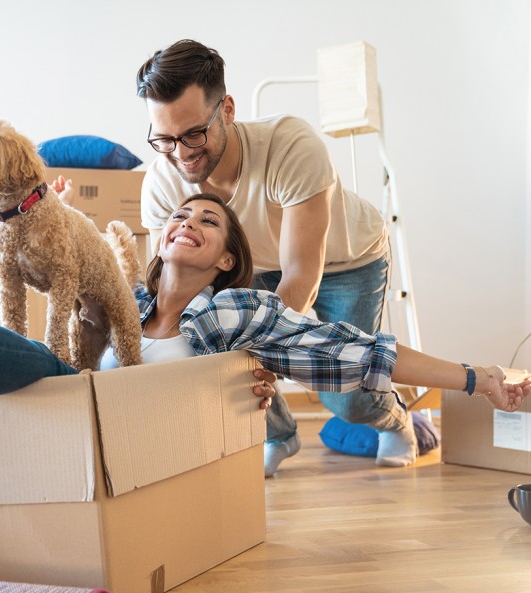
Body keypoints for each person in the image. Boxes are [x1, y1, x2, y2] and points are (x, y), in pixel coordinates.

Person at [0, 125, 530, 449]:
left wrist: (480, 378)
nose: (187, 222)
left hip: (124, 441)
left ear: (227, 258)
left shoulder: (237, 313)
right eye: (181, 216)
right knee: (30, 367)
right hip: (65, 416)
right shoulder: (125, 300)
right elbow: (56, 267)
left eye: (209, 221)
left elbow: (365, 353)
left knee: (47, 375)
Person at [136, 39, 402, 475]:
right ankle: (280, 434)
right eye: (164, 139)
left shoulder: (289, 146)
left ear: (227, 110)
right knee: (221, 357)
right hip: (250, 265)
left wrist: (267, 355)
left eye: (193, 135)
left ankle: (396, 420)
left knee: (343, 392)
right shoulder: (162, 182)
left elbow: (300, 273)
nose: (180, 154)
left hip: (344, 260)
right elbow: (166, 286)